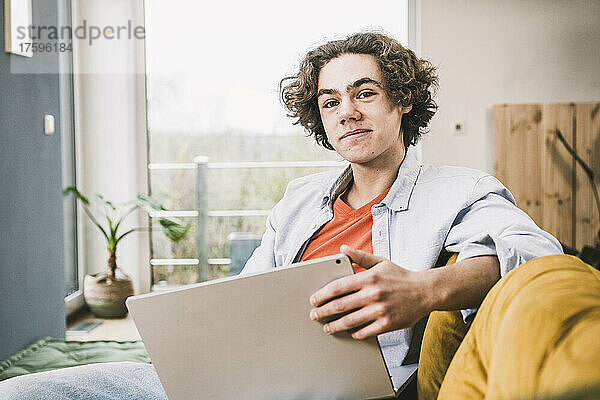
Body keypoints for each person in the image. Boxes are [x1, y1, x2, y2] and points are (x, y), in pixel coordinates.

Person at [0, 32, 570, 399]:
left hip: (345, 388)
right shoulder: (299, 198)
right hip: (237, 378)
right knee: (22, 395)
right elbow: (249, 296)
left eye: (364, 92)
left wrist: (424, 289)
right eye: (329, 101)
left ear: (403, 101)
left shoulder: (459, 190)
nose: (345, 111)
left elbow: (536, 255)